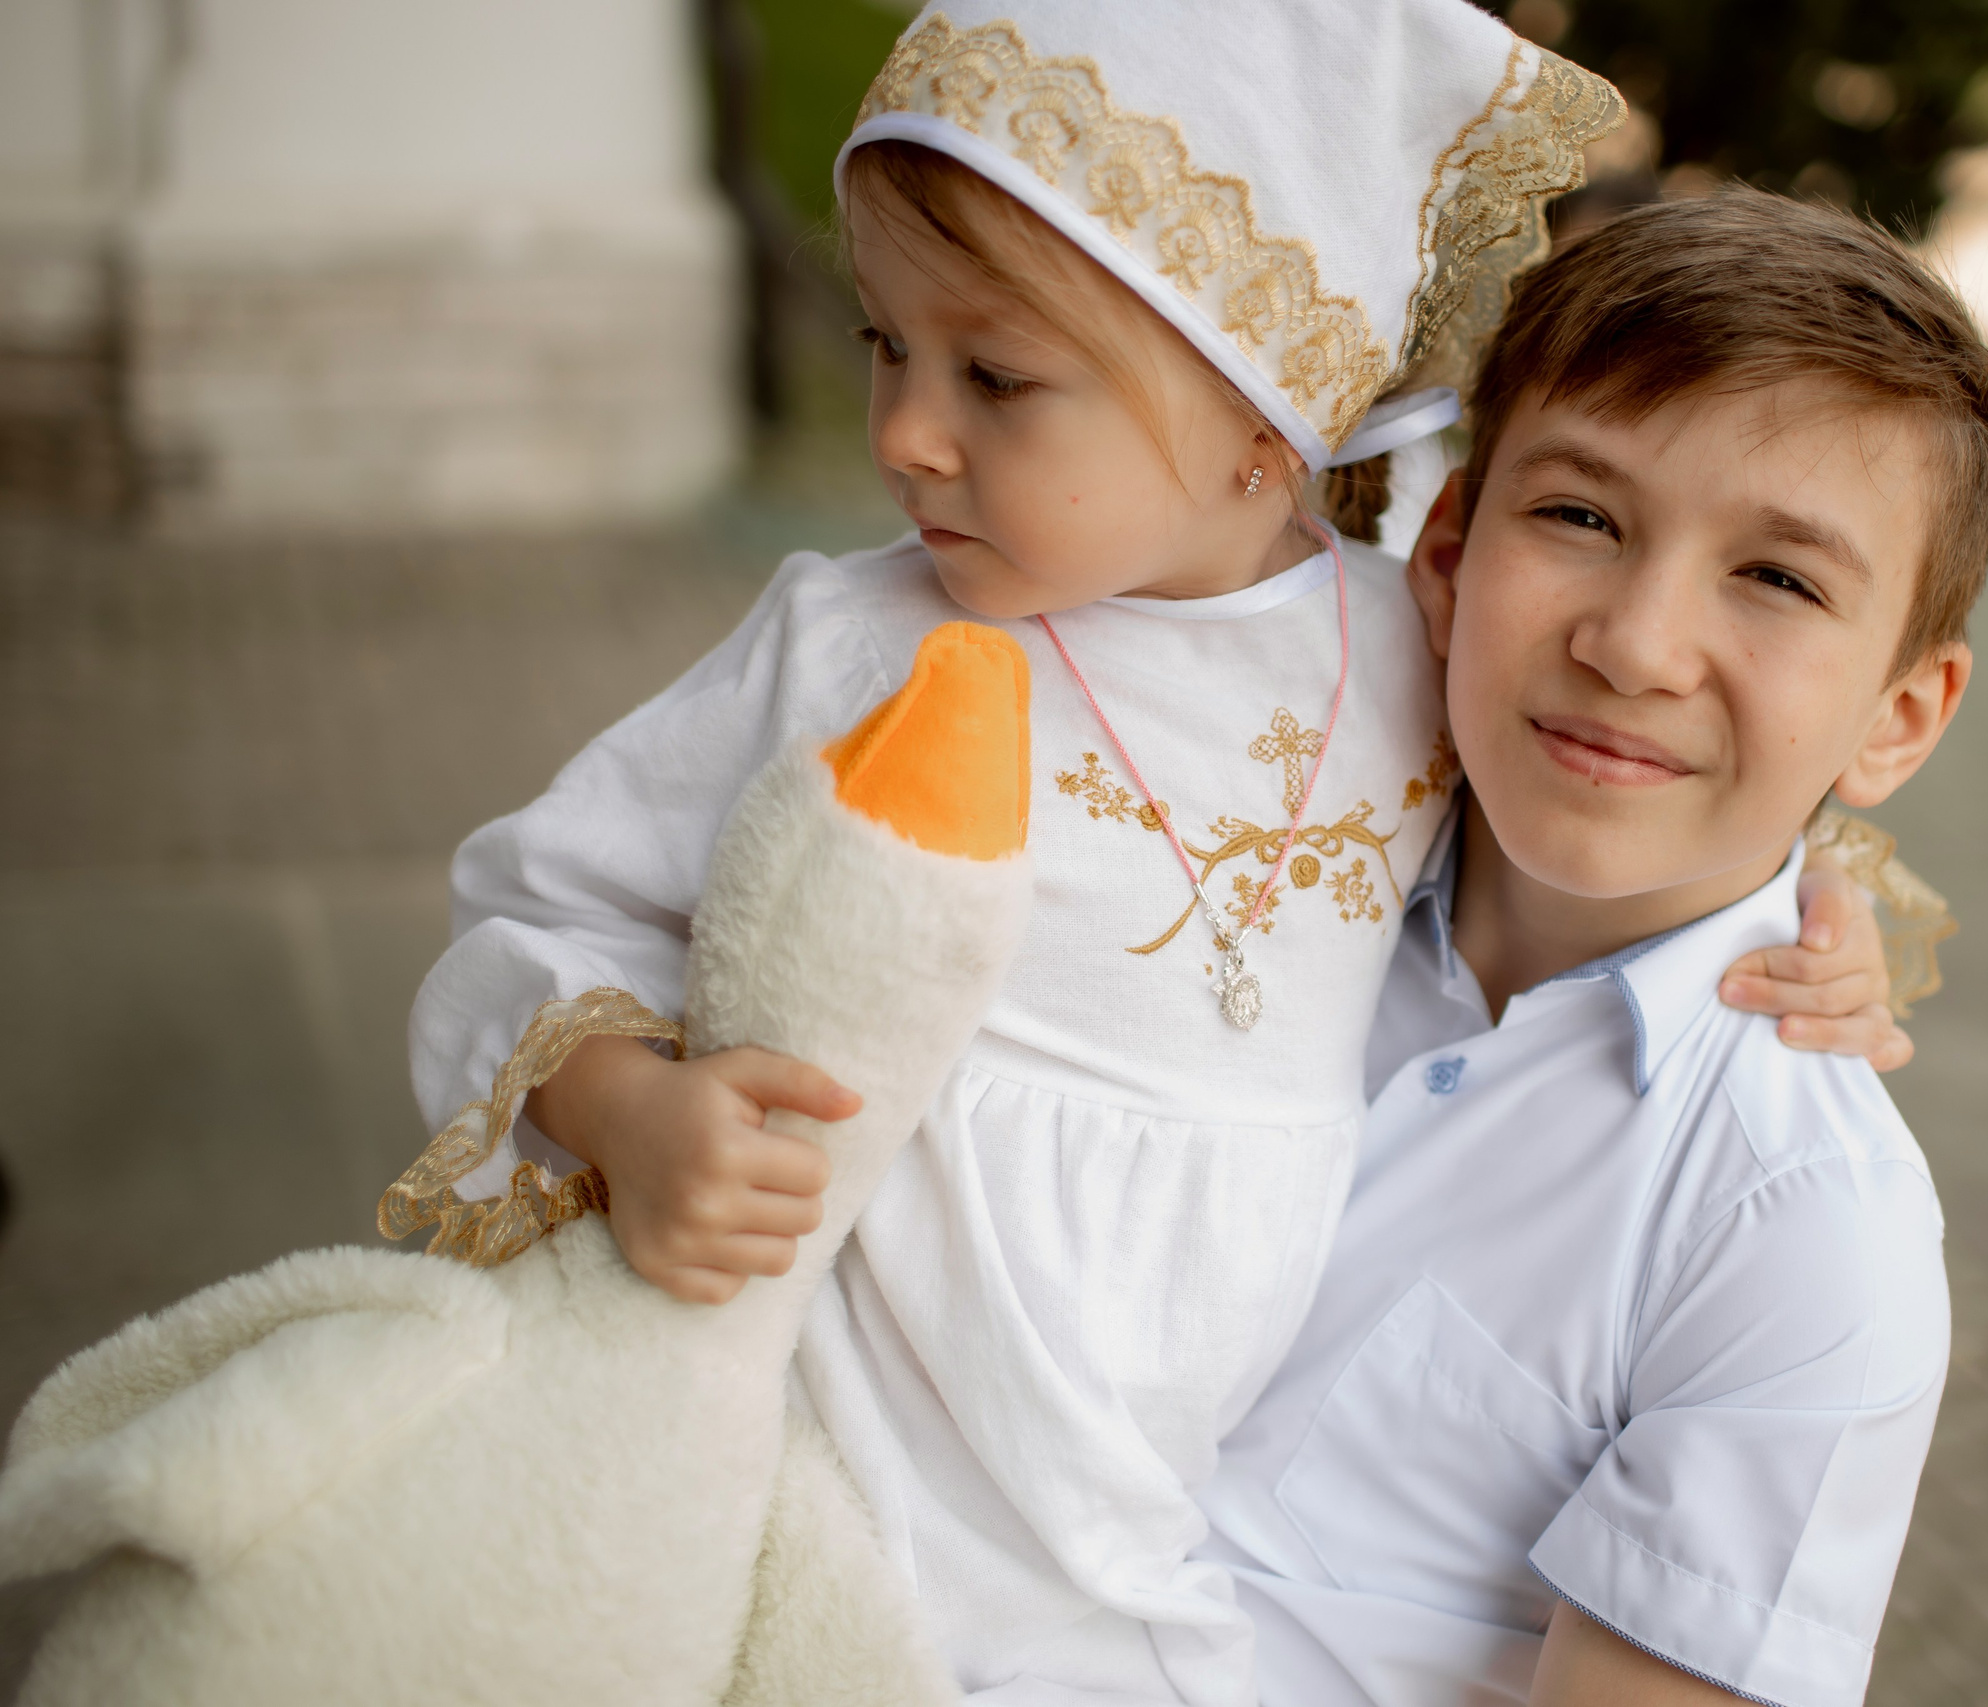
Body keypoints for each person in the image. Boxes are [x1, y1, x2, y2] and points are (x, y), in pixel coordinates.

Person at [370, 4, 1640, 1701]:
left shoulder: (1411, 654)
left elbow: (1594, 845)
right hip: (861, 1408)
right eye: (886, 344)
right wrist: (631, 1111)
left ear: (1267, 413)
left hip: (1176, 1486)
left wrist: (1810, 921)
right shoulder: (850, 643)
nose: (901, 429)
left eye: (996, 377)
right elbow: (539, 903)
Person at [1199, 186, 1988, 1707]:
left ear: (1898, 716)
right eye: (1579, 516)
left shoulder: (1801, 1234)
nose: (1635, 646)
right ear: (1445, 549)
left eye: (1777, 578)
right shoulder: (1225, 828)